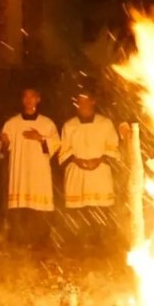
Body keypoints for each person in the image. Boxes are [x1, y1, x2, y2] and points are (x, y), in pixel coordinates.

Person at [59, 85, 120, 250]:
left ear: (93, 102)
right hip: (77, 172)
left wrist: (99, 159)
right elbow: (64, 149)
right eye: (80, 101)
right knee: (79, 211)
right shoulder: (69, 125)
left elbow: (113, 146)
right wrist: (76, 160)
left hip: (99, 173)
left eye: (86, 101)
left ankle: (100, 246)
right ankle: (78, 246)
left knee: (99, 210)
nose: (83, 104)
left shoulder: (105, 123)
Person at [0, 87, 61, 247]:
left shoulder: (47, 123)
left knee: (38, 205)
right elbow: (2, 149)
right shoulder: (12, 124)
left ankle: (40, 241)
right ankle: (19, 240)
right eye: (25, 97)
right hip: (19, 171)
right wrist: (4, 143)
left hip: (39, 172)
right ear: (22, 100)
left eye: (32, 96)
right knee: (20, 205)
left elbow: (55, 145)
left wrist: (40, 138)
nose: (28, 100)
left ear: (38, 99)